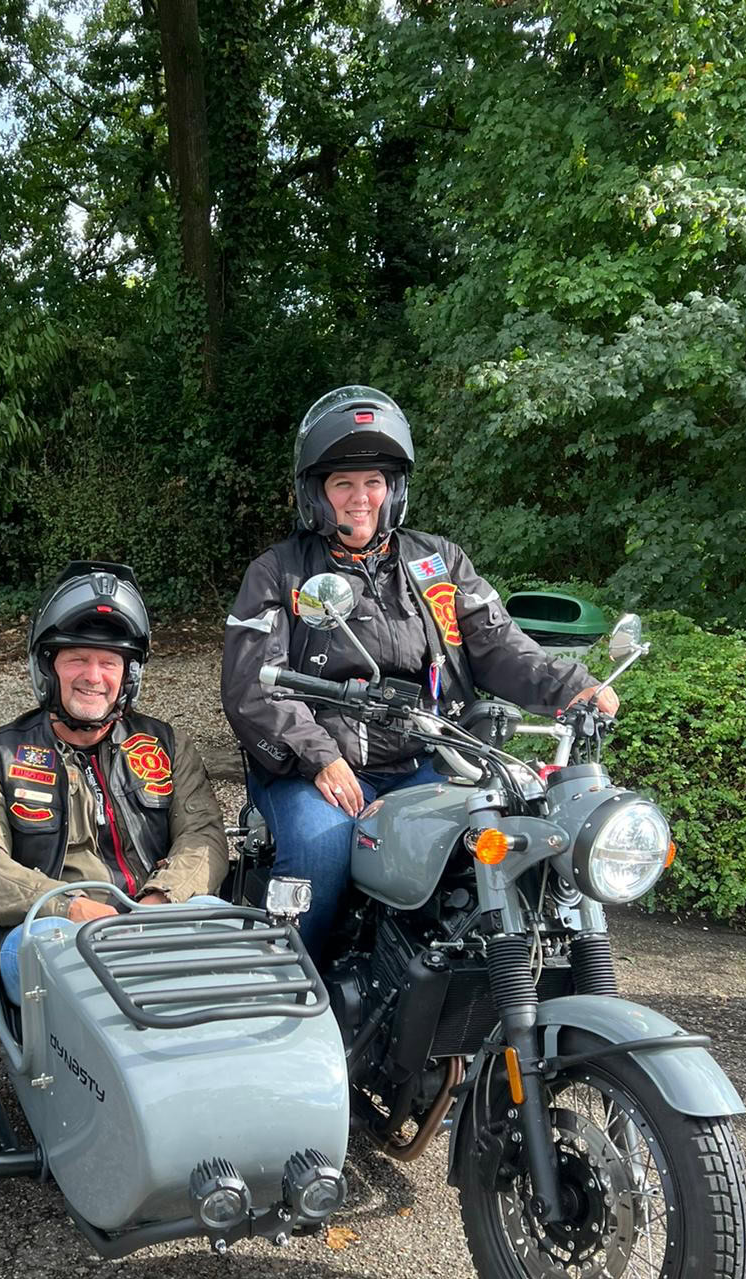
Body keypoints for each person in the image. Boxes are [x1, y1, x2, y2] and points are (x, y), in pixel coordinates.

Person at [221, 385, 618, 962]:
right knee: (321, 849)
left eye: (374, 482)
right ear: (316, 493)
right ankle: (293, 984)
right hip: (318, 768)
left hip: (432, 758)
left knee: (515, 830)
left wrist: (572, 685)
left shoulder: (438, 562)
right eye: (343, 484)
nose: (360, 498)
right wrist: (318, 755)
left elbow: (499, 645)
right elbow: (252, 683)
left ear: (394, 490)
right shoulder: (279, 571)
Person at [0, 560, 229, 1003]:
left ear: (129, 676)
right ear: (48, 668)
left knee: (227, 926)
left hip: (156, 915)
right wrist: (67, 905)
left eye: (109, 662)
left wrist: (160, 900)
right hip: (52, 926)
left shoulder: (168, 746)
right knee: (58, 956)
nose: (93, 677)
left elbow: (204, 837)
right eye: (77, 658)